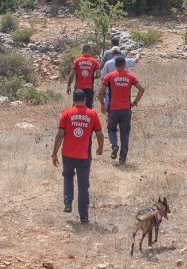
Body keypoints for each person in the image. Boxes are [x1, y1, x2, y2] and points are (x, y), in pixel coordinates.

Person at [52, 89, 104, 223]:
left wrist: (54, 153)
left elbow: (59, 135)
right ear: (85, 100)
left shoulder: (66, 113)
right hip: (84, 156)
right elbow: (99, 134)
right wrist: (100, 147)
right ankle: (84, 216)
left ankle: (68, 202)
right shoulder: (92, 114)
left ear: (73, 100)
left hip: (67, 155)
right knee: (83, 185)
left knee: (68, 177)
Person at [100, 56, 145, 165]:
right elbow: (142, 89)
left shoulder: (109, 76)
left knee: (111, 129)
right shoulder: (130, 76)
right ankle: (122, 159)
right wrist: (134, 102)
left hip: (113, 109)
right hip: (126, 110)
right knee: (124, 134)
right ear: (124, 65)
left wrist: (102, 105)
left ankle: (114, 145)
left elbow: (100, 93)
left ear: (115, 65)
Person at [66, 45, 100, 109]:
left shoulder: (77, 61)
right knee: (88, 108)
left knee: (76, 107)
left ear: (82, 51)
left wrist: (68, 86)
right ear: (90, 51)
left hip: (78, 89)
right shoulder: (94, 61)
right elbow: (98, 75)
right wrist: (93, 77)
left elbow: (72, 74)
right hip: (89, 89)